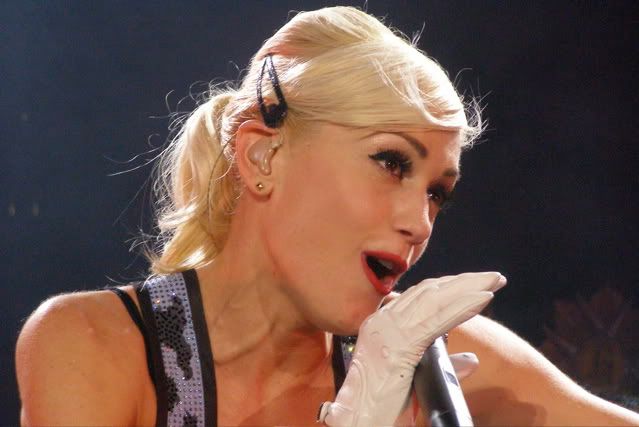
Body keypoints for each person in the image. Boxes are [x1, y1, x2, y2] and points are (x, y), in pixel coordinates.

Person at [15, 6, 639, 427]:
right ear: (263, 156)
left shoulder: (436, 358)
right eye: (391, 163)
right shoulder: (94, 344)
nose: (420, 222)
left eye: (437, 194)